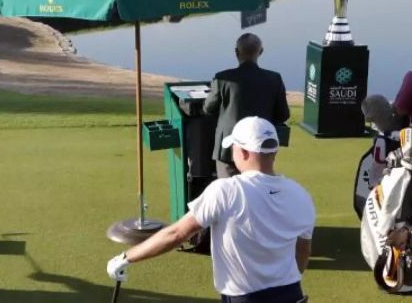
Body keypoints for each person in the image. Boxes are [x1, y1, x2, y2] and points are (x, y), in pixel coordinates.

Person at [107, 117, 316, 303]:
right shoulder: (301, 195)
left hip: (244, 298)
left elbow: (177, 233)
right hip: (293, 294)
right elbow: (302, 252)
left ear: (242, 152)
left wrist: (126, 257)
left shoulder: (227, 190)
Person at [203, 33, 289, 178]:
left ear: (237, 52)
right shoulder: (274, 79)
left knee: (228, 194)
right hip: (259, 149)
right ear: (260, 52)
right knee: (257, 193)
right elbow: (283, 115)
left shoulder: (223, 78)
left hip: (228, 150)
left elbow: (208, 108)